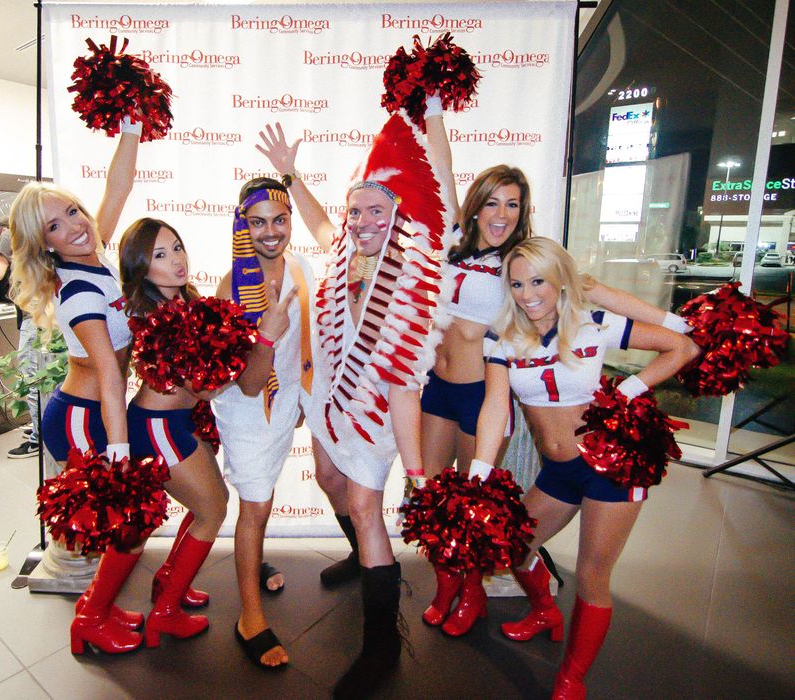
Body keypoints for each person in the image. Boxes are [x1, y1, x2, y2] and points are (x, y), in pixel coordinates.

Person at [420, 165, 696, 637]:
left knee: (590, 573)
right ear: (475, 207)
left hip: (548, 429)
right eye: (491, 202)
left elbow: (598, 294)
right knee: (441, 503)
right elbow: (442, 172)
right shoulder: (455, 252)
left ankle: (479, 598)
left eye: (512, 204)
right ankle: (475, 593)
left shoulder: (537, 271)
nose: (527, 293)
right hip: (447, 393)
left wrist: (675, 324)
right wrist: (433, 107)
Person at [268, 100, 455, 698]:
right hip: (328, 400)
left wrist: (419, 475)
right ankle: (359, 555)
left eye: (377, 209)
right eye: (356, 209)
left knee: (368, 506)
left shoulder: (414, 276)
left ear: (397, 214)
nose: (363, 219)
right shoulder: (342, 254)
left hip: (377, 412)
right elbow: (323, 223)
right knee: (326, 475)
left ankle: (381, 648)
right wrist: (291, 176)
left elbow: (404, 388)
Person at [470, 237, 698, 698]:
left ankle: (571, 676)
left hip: (612, 466)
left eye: (538, 281)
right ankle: (544, 613)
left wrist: (626, 391)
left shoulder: (594, 322)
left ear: (559, 281)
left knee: (593, 576)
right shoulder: (502, 337)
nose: (527, 293)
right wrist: (479, 472)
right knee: (514, 547)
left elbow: (681, 348)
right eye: (517, 283)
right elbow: (496, 405)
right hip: (558, 471)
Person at [9, 119, 144, 655]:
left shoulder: (97, 255)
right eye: (55, 227)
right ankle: (89, 618)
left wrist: (133, 125)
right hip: (82, 418)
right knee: (120, 522)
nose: (74, 225)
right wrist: (119, 449)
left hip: (93, 411)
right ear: (46, 247)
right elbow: (111, 371)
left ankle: (99, 607)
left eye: (72, 210)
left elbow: (118, 186)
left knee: (118, 525)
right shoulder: (79, 289)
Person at [118, 217, 252, 649]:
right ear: (141, 267)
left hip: (175, 423)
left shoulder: (183, 302)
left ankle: (169, 584)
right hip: (155, 427)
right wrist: (255, 351)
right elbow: (206, 387)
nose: (176, 260)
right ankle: (165, 613)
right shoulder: (155, 315)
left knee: (208, 506)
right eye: (159, 255)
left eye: (176, 247)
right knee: (213, 509)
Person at [212, 174, 314, 668]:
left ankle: (253, 564)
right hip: (248, 409)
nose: (271, 231)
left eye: (279, 220)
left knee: (264, 500)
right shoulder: (234, 283)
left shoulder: (300, 265)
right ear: (242, 224)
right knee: (254, 506)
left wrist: (296, 401)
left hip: (286, 402)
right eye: (257, 222)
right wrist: (267, 336)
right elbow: (250, 383)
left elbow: (302, 350)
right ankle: (249, 618)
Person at [0, 216, 40, 459]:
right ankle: (41, 429)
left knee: (32, 377)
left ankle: (39, 438)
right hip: (40, 314)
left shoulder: (8, 234)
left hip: (32, 317)